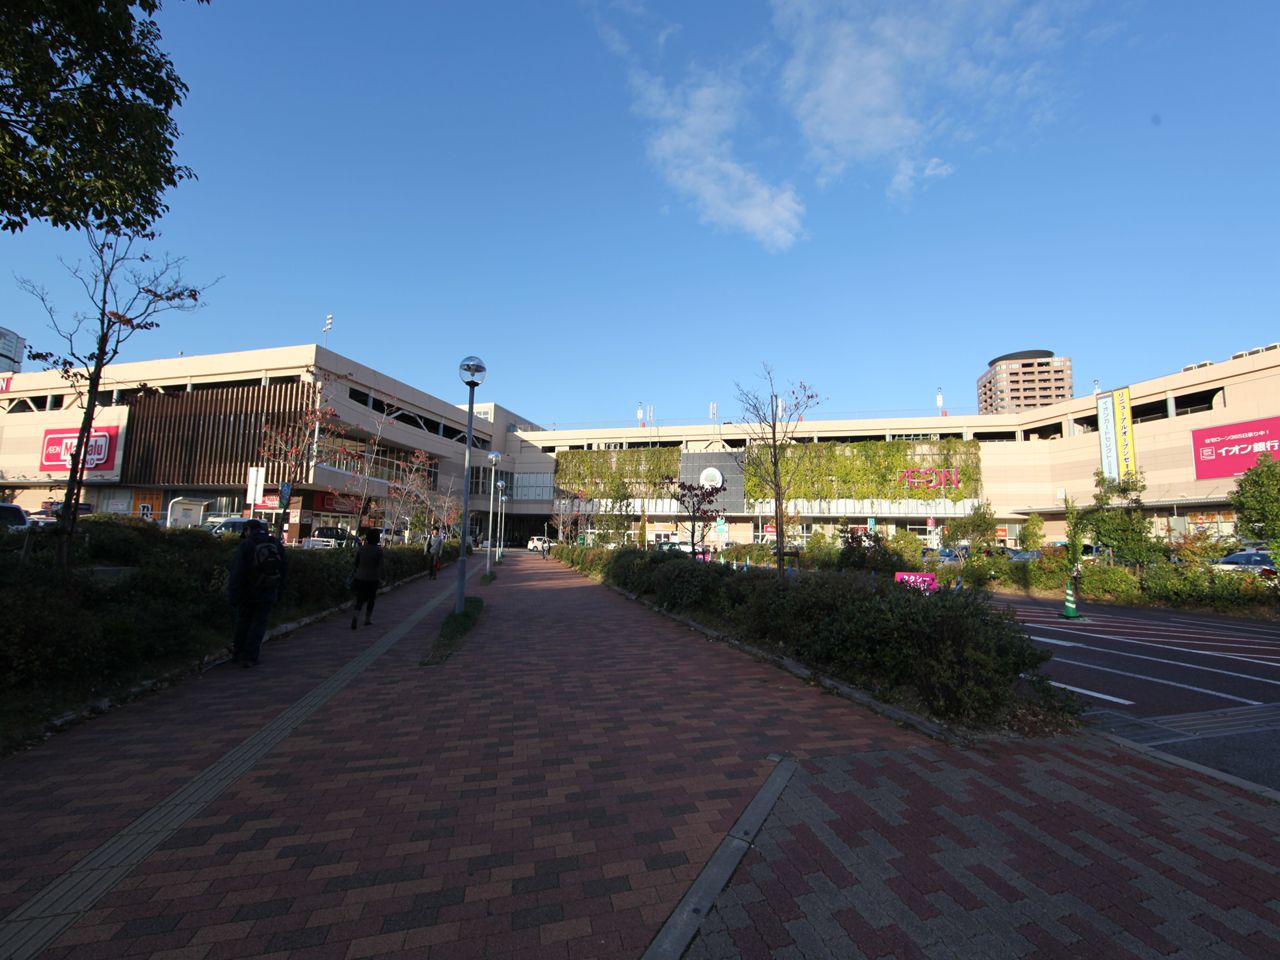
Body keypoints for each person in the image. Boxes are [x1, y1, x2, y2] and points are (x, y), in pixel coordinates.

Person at [228, 518, 287, 667]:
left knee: (243, 621)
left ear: (248, 530)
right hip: (268, 589)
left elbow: (237, 571)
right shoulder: (275, 543)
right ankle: (251, 656)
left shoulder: (247, 544)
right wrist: (279, 590)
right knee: (259, 624)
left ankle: (238, 653)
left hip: (247, 591)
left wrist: (233, 593)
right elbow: (283, 568)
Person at [351, 528, 385, 628]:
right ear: (377, 538)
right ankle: (367, 619)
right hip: (372, 578)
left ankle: (355, 616)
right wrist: (383, 578)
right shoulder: (378, 550)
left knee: (359, 599)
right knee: (371, 599)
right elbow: (381, 566)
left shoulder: (361, 548)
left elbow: (355, 563)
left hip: (360, 577)